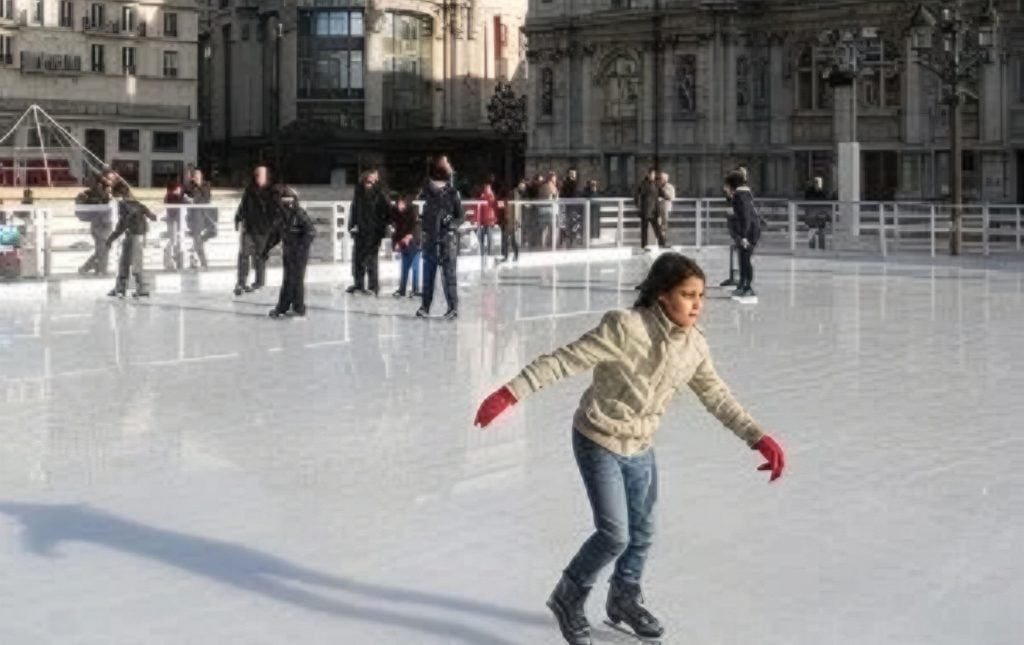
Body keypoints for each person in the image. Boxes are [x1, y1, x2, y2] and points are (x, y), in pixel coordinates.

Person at [473, 252, 785, 645]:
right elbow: (564, 361)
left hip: (640, 445)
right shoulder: (626, 328)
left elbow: (717, 397)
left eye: (701, 296)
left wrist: (757, 437)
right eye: (688, 294)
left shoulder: (694, 346)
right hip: (598, 437)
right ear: (661, 295)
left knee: (643, 531)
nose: (697, 304)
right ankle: (569, 595)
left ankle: (623, 595)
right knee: (615, 534)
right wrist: (508, 393)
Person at [416, 155, 463, 321]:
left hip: (447, 240)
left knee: (449, 275)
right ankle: (425, 306)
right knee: (428, 274)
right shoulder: (426, 190)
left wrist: (451, 224)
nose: (449, 165)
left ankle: (453, 307)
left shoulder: (452, 192)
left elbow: (460, 217)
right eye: (446, 162)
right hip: (430, 238)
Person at [262, 185, 316, 318]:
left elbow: (310, 231)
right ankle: (285, 306)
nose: (284, 204)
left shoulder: (299, 213)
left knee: (296, 279)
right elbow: (275, 235)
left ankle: (297, 307)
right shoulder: (281, 216)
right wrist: (265, 249)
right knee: (288, 279)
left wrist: (302, 246)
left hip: (299, 251)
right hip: (289, 251)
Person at [106, 184, 157, 298]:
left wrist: (111, 238)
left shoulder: (124, 205)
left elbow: (122, 224)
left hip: (133, 236)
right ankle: (122, 287)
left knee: (132, 263)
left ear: (119, 194)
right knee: (126, 261)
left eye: (114, 195)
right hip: (135, 235)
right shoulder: (138, 204)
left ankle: (139, 288)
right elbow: (152, 216)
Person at [346, 169, 389, 296]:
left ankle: (373, 286)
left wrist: (381, 228)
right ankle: (358, 284)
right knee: (358, 259)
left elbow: (387, 212)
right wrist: (352, 226)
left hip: (374, 232)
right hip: (360, 231)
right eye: (369, 179)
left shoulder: (380, 193)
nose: (370, 182)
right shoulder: (359, 192)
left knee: (371, 260)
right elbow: (354, 209)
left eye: (373, 179)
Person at [233, 165, 273, 296]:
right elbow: (243, 205)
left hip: (263, 229)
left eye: (260, 175)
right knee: (244, 255)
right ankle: (241, 282)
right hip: (249, 228)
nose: (258, 178)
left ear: (266, 176)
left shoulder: (271, 191)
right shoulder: (249, 190)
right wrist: (238, 217)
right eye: (256, 175)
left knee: (259, 257)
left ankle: (259, 282)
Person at [723, 170, 761, 299]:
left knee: (745, 259)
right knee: (742, 258)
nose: (725, 188)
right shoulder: (741, 195)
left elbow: (745, 217)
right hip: (747, 230)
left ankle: (748, 286)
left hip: (749, 232)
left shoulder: (740, 196)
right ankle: (742, 284)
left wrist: (744, 236)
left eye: (726, 185)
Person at [76, 170, 116, 276]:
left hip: (106, 222)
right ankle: (98, 269)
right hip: (99, 224)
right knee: (103, 248)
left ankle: (95, 268)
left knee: (104, 248)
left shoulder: (105, 190)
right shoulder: (91, 193)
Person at [391, 194, 422, 298]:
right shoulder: (397, 214)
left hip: (414, 244)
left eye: (401, 203)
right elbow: (397, 231)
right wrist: (396, 243)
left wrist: (409, 237)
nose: (399, 206)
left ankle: (415, 289)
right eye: (398, 203)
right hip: (404, 245)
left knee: (415, 267)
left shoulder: (413, 211)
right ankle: (402, 289)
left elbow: (416, 227)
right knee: (404, 268)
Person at [185, 168, 216, 269]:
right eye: (195, 175)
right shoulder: (190, 187)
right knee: (197, 239)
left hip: (206, 215)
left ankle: (197, 246)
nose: (198, 177)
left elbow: (206, 198)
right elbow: (188, 198)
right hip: (195, 217)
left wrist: (195, 196)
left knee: (213, 232)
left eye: (199, 175)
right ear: (193, 177)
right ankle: (203, 263)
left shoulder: (206, 185)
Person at [634, 169, 665, 250]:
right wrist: (638, 205)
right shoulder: (643, 184)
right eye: (651, 174)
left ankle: (662, 243)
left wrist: (667, 197)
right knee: (644, 228)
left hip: (654, 210)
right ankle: (644, 245)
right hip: (645, 209)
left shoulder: (656, 184)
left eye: (654, 175)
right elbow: (637, 195)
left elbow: (662, 193)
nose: (653, 176)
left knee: (657, 228)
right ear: (648, 175)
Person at [476, 179, 498, 257]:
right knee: (482, 237)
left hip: (489, 221)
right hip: (483, 220)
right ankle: (483, 252)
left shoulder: (490, 196)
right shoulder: (482, 196)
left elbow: (493, 203)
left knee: (489, 238)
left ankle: (489, 253)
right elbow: (479, 208)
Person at [656, 172, 675, 247]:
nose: (660, 180)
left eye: (661, 179)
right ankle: (661, 241)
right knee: (659, 225)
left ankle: (664, 242)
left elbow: (671, 197)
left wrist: (663, 197)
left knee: (664, 225)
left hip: (666, 209)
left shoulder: (669, 187)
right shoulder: (658, 187)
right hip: (659, 209)